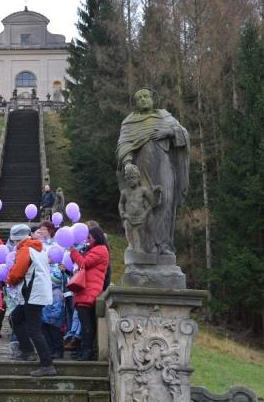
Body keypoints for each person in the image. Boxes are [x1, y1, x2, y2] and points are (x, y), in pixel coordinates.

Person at [116, 88, 189, 256]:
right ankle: (145, 246)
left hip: (164, 162)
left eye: (145, 96)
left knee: (166, 200)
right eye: (139, 98)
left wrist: (169, 132)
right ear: (135, 103)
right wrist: (127, 163)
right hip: (141, 166)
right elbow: (123, 145)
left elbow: (183, 133)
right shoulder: (129, 122)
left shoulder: (165, 116)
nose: (143, 99)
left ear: (152, 99)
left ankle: (163, 245)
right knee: (145, 201)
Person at [6, 224, 56, 377]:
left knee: (34, 329)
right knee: (16, 318)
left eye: (14, 241)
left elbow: (17, 271)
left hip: (33, 293)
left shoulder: (25, 249)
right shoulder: (37, 248)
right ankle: (27, 351)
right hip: (37, 292)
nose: (14, 244)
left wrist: (9, 280)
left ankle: (47, 364)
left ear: (17, 239)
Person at [69, 226, 109, 361]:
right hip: (86, 290)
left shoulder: (100, 250)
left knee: (86, 323)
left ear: (96, 237)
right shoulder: (95, 249)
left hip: (89, 291)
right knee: (85, 322)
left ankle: (87, 351)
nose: (87, 240)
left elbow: (84, 263)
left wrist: (73, 251)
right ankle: (84, 350)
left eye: (89, 237)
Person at [118, 164, 160, 254]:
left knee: (141, 231)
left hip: (142, 217)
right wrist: (122, 212)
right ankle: (131, 245)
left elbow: (153, 202)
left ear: (138, 179)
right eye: (128, 178)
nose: (131, 180)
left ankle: (143, 246)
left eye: (133, 178)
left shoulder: (143, 190)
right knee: (127, 227)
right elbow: (121, 203)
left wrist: (157, 193)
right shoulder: (124, 192)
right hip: (129, 217)